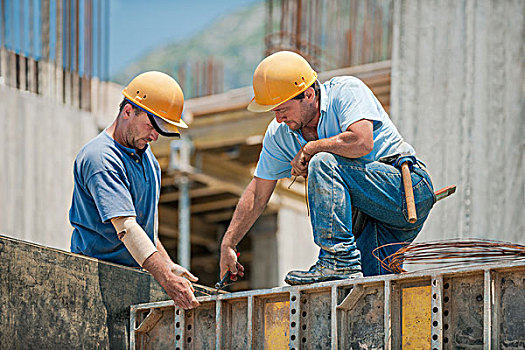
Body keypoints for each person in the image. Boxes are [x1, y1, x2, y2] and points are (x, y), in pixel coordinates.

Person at [219, 51, 436, 285]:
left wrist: (312, 147)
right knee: (372, 291)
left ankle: (337, 260)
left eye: (282, 109)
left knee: (323, 161)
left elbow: (362, 141)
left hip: (405, 190)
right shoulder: (279, 134)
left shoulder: (346, 91)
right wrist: (228, 243)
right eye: (274, 112)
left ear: (309, 94)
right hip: (370, 220)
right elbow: (258, 193)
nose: (279, 118)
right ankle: (341, 264)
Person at [69, 71, 200, 309]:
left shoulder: (148, 161)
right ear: (128, 111)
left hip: (130, 280)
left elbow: (143, 230)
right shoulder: (101, 159)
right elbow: (127, 228)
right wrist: (166, 279)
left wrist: (168, 265)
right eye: (151, 125)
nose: (154, 136)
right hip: (94, 281)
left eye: (160, 130)